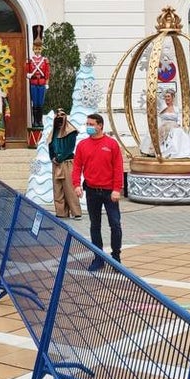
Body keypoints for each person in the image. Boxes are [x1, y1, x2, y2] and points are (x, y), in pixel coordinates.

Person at [72, 113, 124, 271]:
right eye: (87, 123)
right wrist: (76, 185)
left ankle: (116, 257)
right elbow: (77, 167)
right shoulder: (82, 145)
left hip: (109, 192)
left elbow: (118, 168)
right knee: (95, 225)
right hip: (92, 191)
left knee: (115, 224)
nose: (88, 126)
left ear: (100, 125)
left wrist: (117, 189)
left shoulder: (111, 144)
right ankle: (98, 257)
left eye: (91, 124)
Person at [49, 109, 81, 219]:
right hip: (56, 163)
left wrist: (60, 158)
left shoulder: (71, 131)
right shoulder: (54, 132)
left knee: (69, 188)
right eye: (57, 115)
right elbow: (50, 145)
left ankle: (76, 212)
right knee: (58, 189)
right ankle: (61, 212)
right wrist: (52, 157)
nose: (59, 117)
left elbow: (69, 148)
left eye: (62, 115)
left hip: (67, 162)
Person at [158, 90, 190, 159]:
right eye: (165, 97)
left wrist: (178, 124)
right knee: (173, 131)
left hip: (174, 125)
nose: (167, 98)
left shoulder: (176, 109)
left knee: (179, 132)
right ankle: (168, 151)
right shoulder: (162, 108)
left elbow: (178, 119)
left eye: (168, 96)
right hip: (165, 125)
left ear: (172, 98)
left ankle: (183, 151)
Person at [24, 25, 49, 131]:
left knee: (40, 103)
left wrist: (47, 82)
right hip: (33, 82)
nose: (37, 50)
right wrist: (28, 74)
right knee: (35, 103)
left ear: (41, 49)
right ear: (33, 49)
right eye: (35, 48)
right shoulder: (30, 60)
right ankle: (35, 121)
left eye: (39, 48)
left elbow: (47, 72)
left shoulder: (45, 60)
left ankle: (40, 120)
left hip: (42, 82)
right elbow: (26, 71)